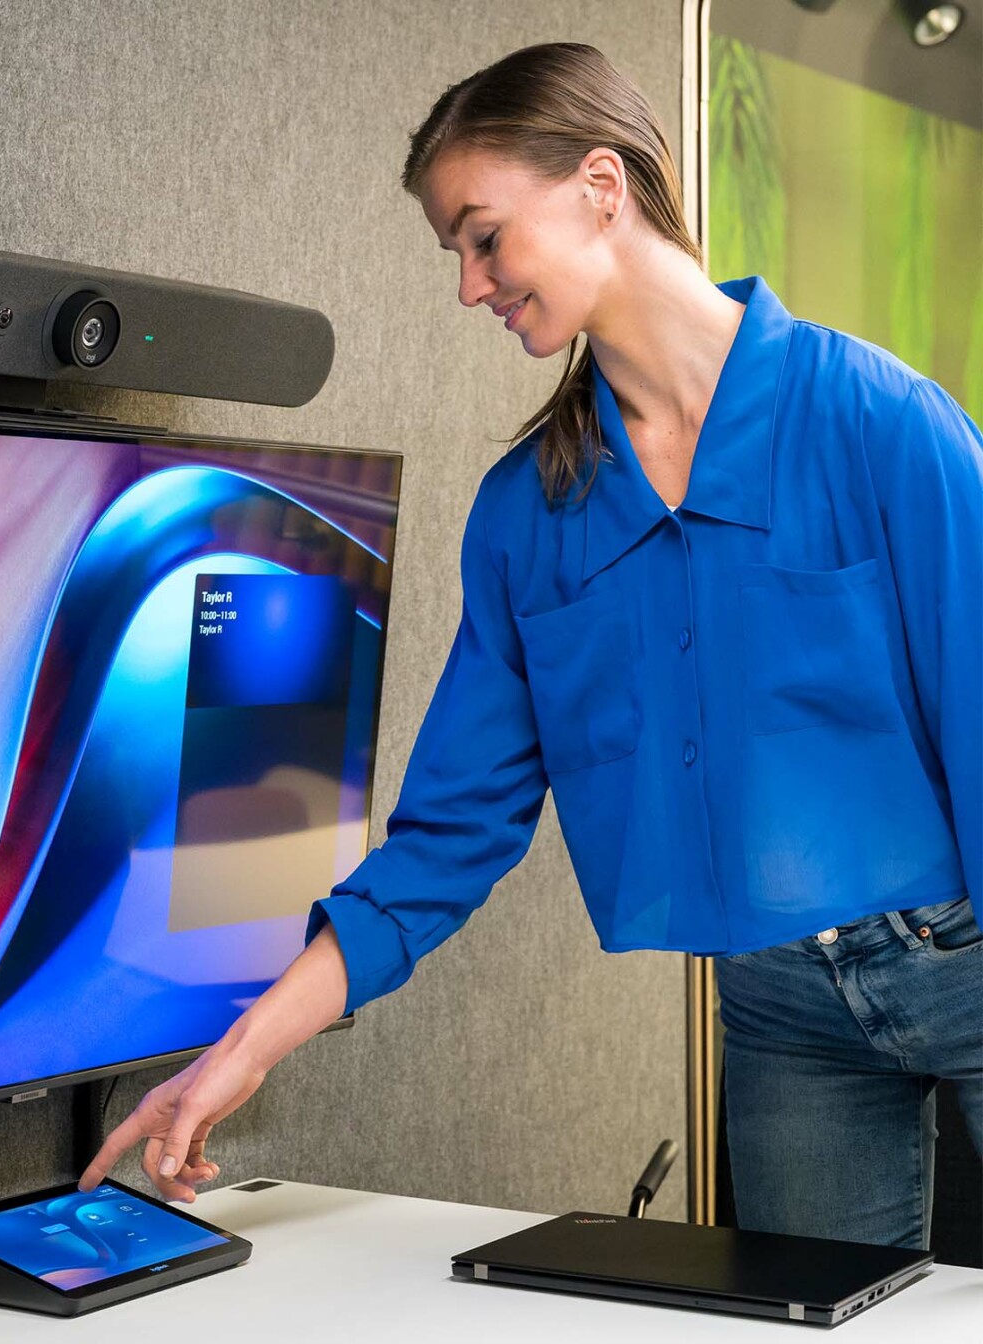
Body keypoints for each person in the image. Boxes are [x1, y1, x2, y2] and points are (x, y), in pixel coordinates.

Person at [79, 42, 982, 1250]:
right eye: (454, 251)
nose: (469, 285)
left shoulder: (881, 425)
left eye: (483, 235)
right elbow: (450, 832)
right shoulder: (530, 514)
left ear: (601, 185)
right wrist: (239, 1054)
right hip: (780, 1011)